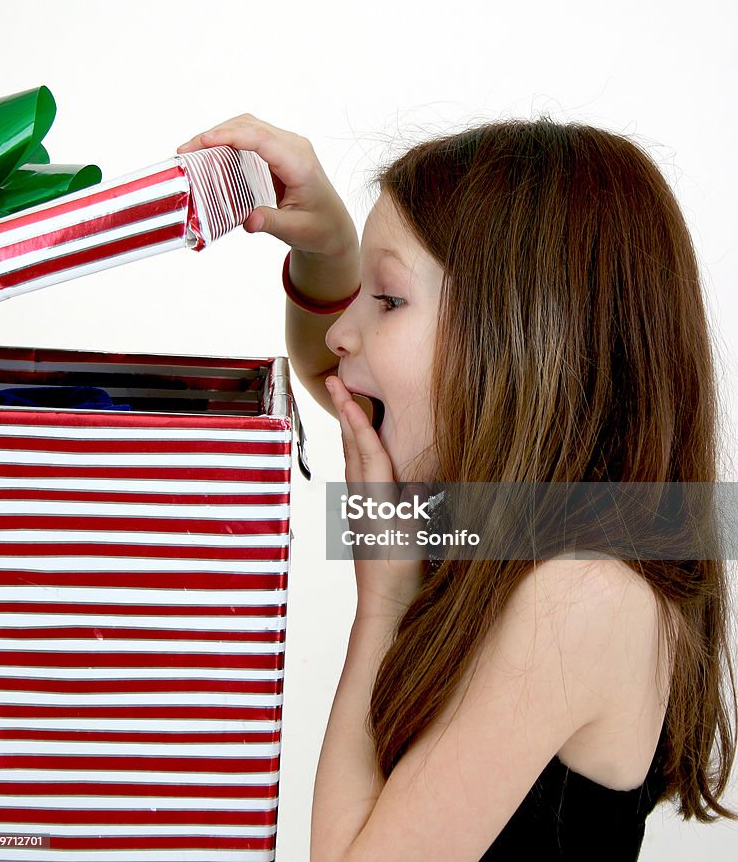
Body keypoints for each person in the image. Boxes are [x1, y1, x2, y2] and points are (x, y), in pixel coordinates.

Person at [177, 114, 737, 861]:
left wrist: (382, 603)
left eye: (387, 299)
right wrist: (328, 243)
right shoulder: (514, 526)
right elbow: (340, 369)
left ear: (520, 337)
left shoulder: (581, 596)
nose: (342, 331)